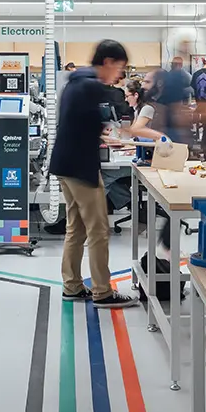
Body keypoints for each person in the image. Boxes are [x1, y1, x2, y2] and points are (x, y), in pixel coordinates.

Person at [49, 41, 139, 308]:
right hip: (80, 167)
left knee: (75, 228)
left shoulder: (75, 81)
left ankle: (72, 286)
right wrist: (109, 138)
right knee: (99, 230)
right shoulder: (91, 86)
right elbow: (87, 126)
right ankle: (102, 291)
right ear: (109, 62)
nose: (119, 75)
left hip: (64, 164)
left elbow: (78, 123)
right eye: (120, 67)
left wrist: (102, 136)